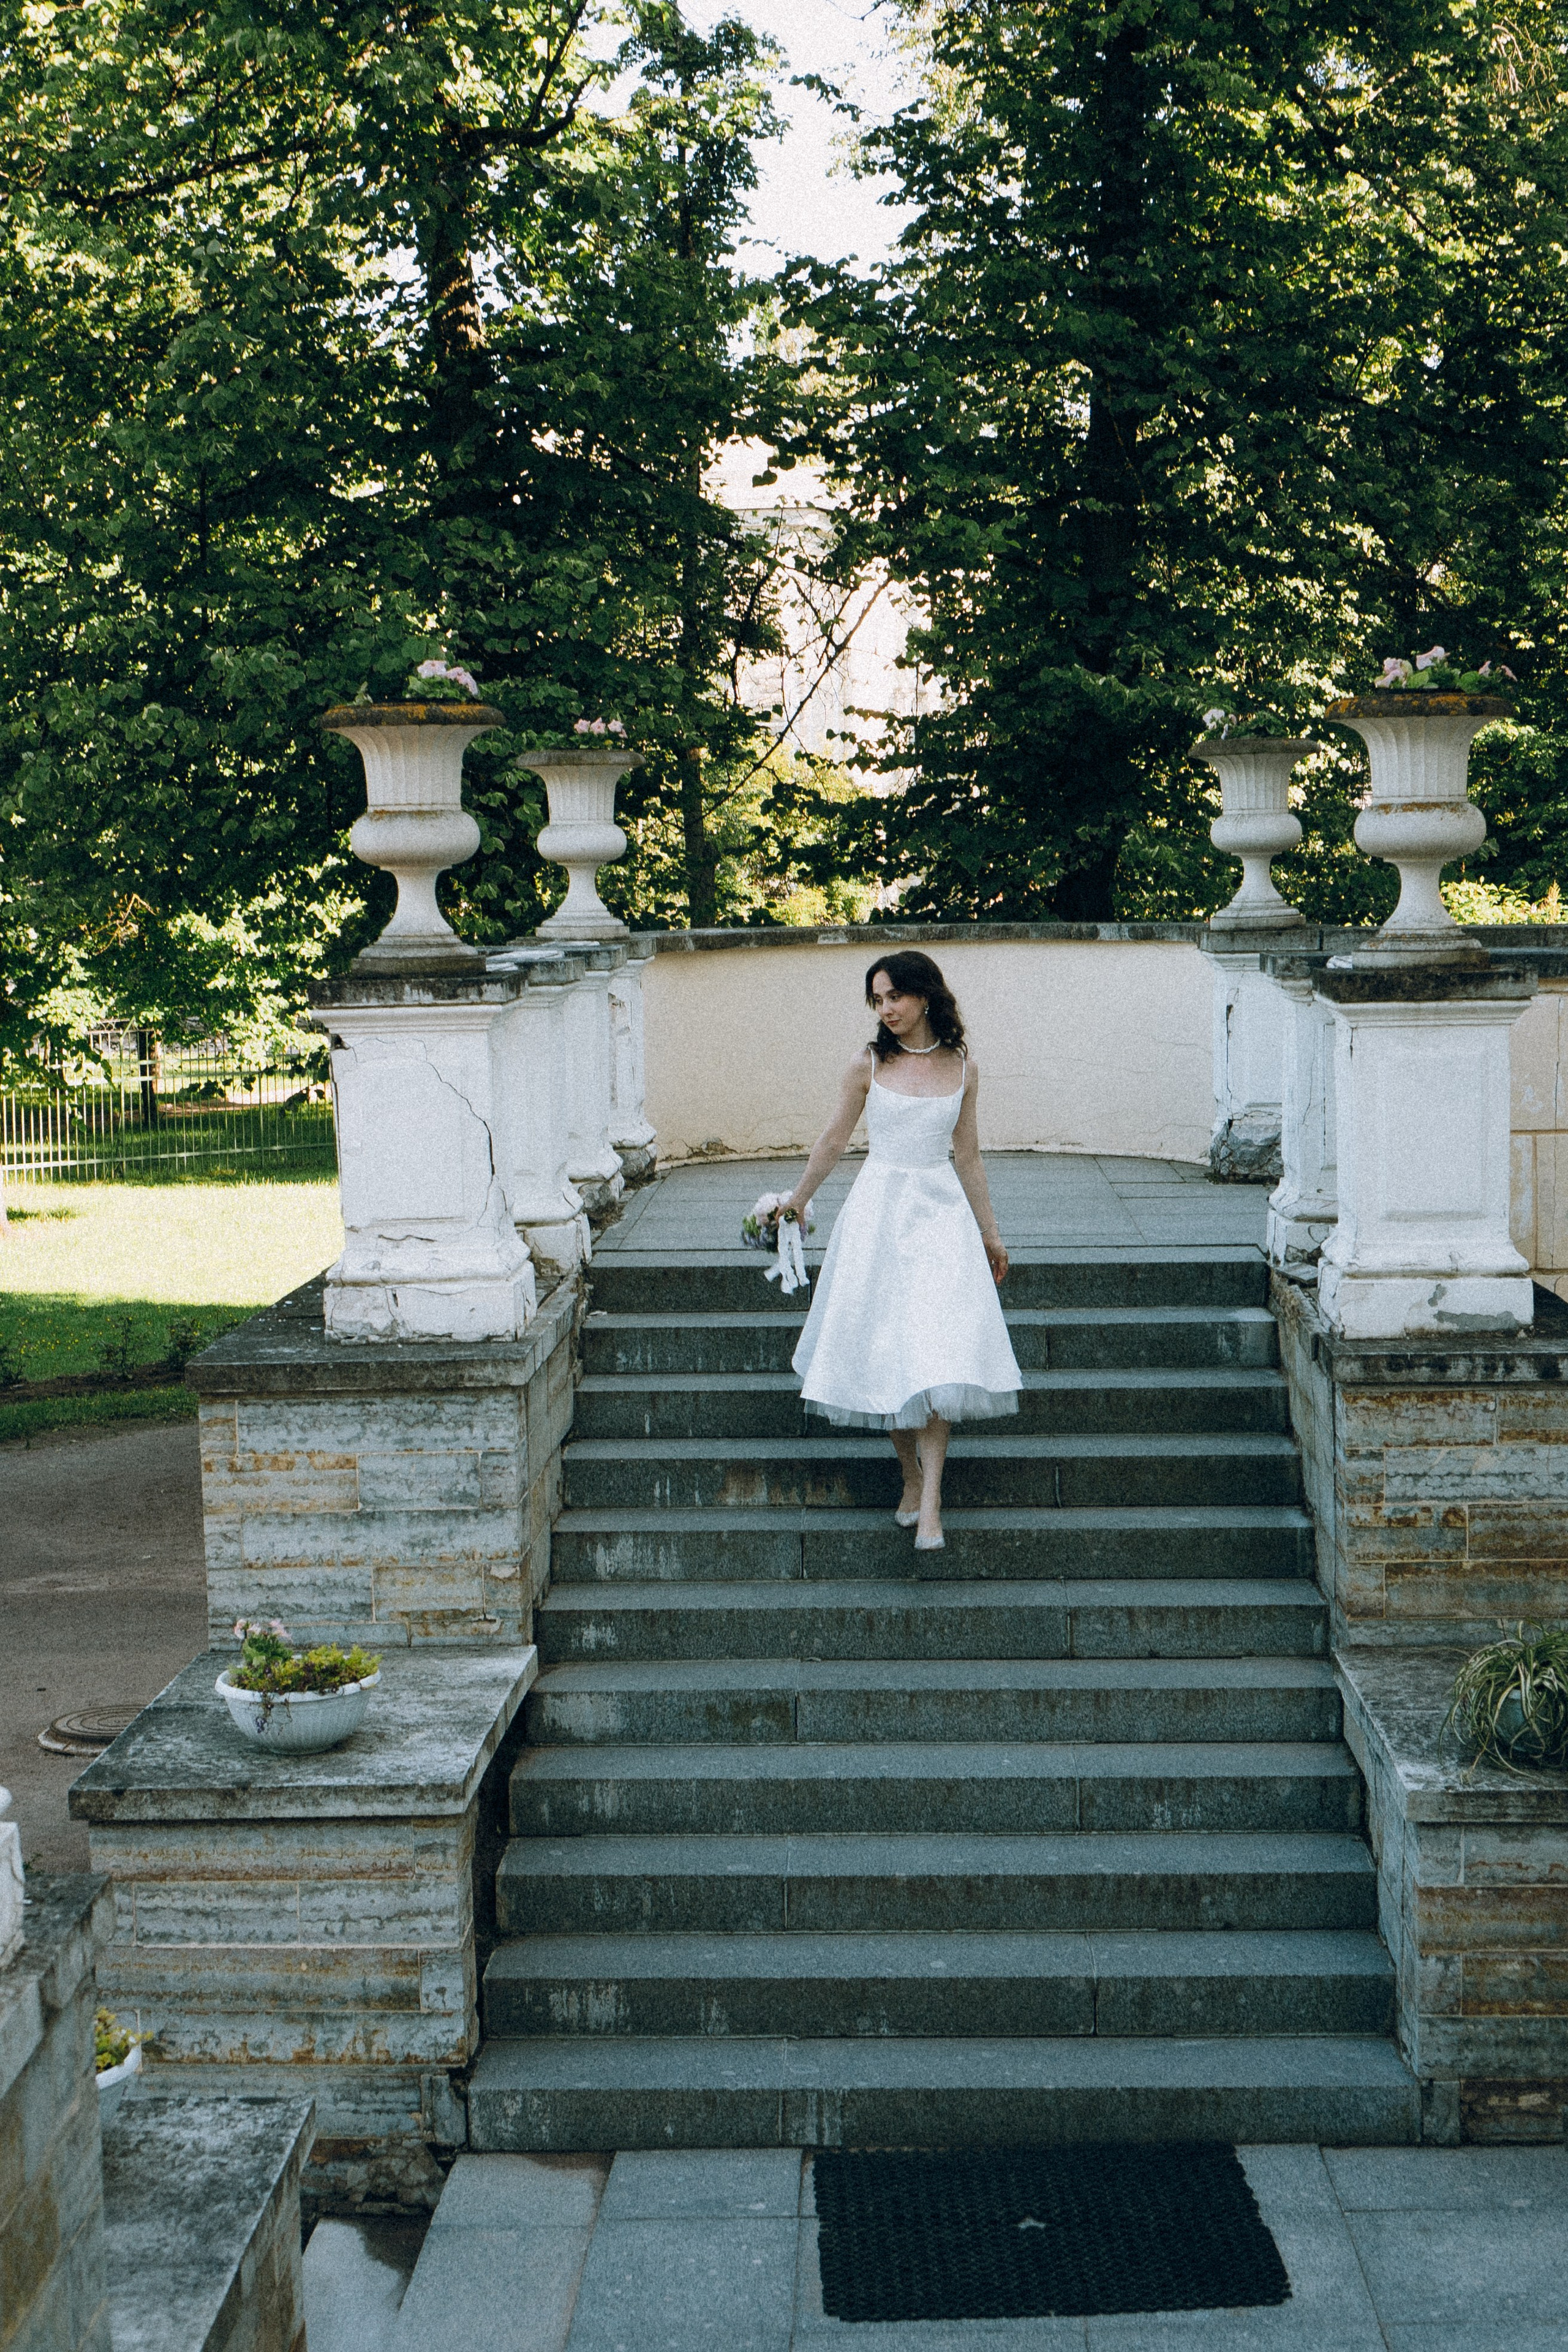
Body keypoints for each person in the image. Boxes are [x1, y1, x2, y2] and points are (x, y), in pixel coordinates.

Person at [780, 950, 1021, 1550]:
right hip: (878, 1215)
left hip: (940, 1219)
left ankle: (932, 1504)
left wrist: (990, 1233)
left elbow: (966, 1155)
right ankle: (910, 1477)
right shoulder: (867, 1065)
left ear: (924, 996)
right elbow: (833, 1140)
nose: (886, 1009)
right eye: (878, 999)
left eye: (895, 996)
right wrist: (796, 1201)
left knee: (937, 1356)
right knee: (887, 1347)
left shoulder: (963, 1067)